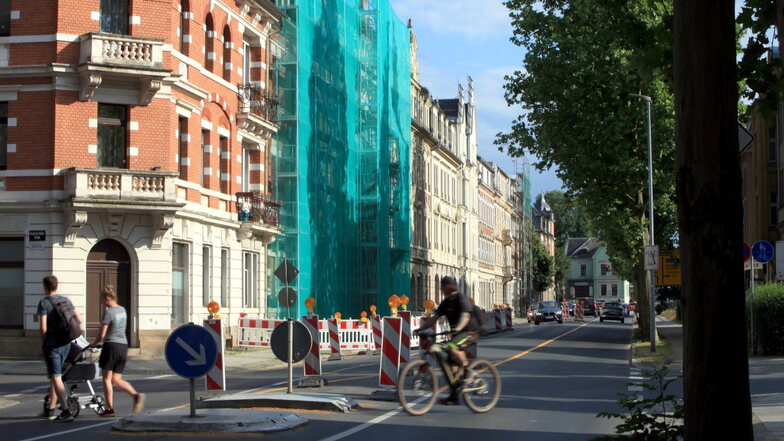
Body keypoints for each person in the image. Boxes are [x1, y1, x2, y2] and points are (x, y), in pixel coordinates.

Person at [415, 276, 479, 405]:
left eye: (442, 286)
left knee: (451, 346)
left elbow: (466, 316)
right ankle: (454, 395)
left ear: (447, 287)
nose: (441, 289)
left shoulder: (461, 298)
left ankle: (468, 371)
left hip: (469, 331)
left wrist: (459, 327)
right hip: (456, 333)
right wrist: (420, 329)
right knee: (450, 365)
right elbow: (434, 318)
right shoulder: (446, 302)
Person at [90, 286, 145, 417]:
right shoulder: (123, 310)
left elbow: (102, 334)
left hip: (111, 346)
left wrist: (93, 344)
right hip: (123, 346)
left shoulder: (109, 312)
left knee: (106, 379)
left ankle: (109, 409)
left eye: (103, 300)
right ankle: (136, 395)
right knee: (116, 378)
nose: (102, 302)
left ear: (107, 298)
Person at [37, 275, 81, 422]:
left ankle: (66, 411)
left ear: (45, 287)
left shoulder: (44, 303)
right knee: (55, 376)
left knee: (56, 377)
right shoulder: (65, 300)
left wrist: (44, 344)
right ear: (56, 286)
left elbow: (43, 328)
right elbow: (79, 319)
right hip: (66, 343)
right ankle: (50, 408)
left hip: (53, 345)